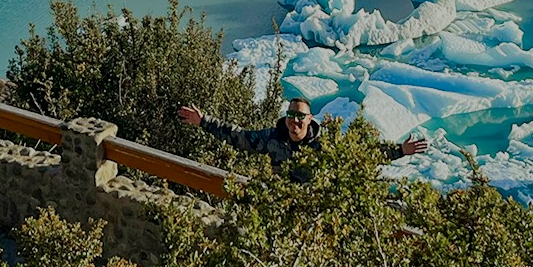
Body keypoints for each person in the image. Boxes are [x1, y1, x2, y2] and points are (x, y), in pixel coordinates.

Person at [178, 97, 428, 169]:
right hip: (280, 205)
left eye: (300, 116)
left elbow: (359, 155)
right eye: (291, 115)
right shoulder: (273, 138)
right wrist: (203, 121)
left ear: (310, 120)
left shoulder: (325, 145)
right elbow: (239, 137)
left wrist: (398, 151)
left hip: (313, 211)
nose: (295, 121)